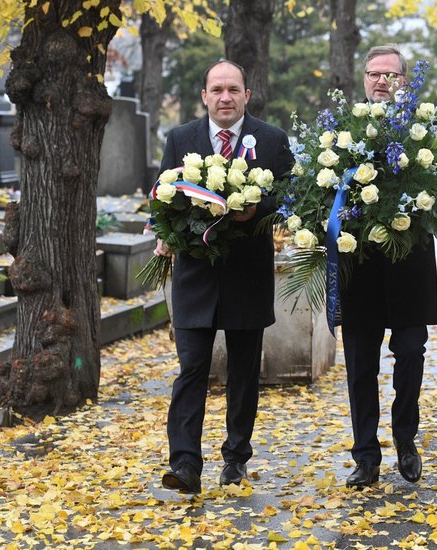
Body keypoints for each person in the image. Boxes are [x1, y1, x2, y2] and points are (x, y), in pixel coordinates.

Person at [157, 60, 293, 494]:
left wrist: (261, 208)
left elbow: (288, 194)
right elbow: (162, 194)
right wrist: (163, 233)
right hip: (195, 276)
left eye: (233, 89)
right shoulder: (180, 139)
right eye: (217, 89)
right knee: (191, 368)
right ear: (204, 96)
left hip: (247, 275)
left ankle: (236, 457)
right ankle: (184, 464)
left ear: (247, 94)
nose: (225, 97)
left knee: (243, 373)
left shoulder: (271, 139)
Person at [338, 45, 437, 488]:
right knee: (360, 364)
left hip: (409, 265)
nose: (382, 81)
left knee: (411, 356)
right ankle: (365, 455)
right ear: (363, 79)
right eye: (374, 74)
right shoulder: (340, 135)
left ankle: (405, 439)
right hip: (358, 266)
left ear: (404, 81)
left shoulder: (429, 134)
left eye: (391, 75)